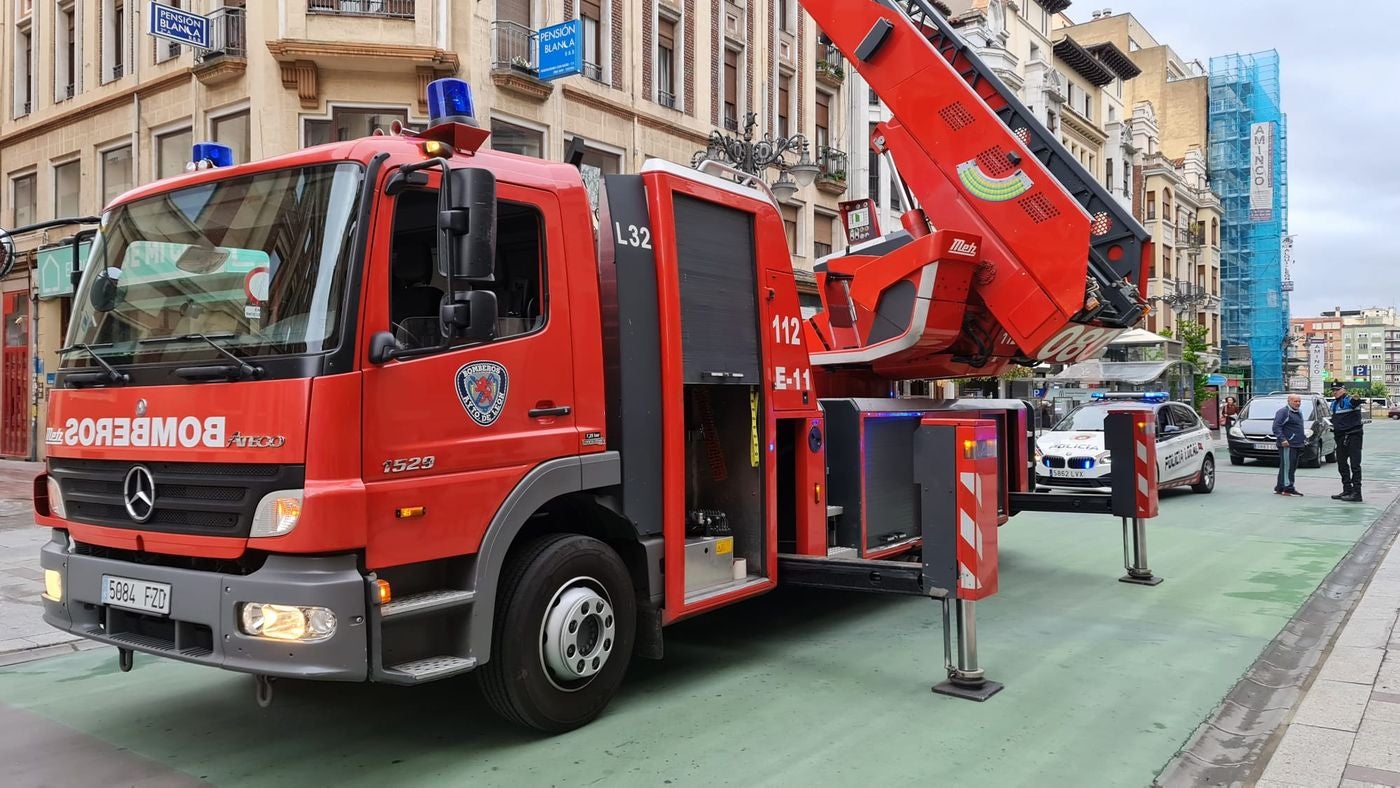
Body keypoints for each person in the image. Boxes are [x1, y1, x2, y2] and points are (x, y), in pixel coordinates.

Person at [1329, 383, 1366, 502]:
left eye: (1337, 390)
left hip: (1353, 436)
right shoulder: (1334, 404)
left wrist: (1357, 399)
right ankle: (1347, 489)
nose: (1335, 392)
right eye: (1333, 390)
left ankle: (1357, 493)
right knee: (1342, 464)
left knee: (1355, 465)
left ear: (1344, 390)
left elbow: (1356, 401)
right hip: (1340, 437)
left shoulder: (1349, 400)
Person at [1272, 393, 1306, 497]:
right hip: (1288, 445)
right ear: (1289, 401)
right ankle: (1288, 488)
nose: (1297, 403)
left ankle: (1280, 487)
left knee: (1288, 466)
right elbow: (1276, 427)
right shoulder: (1283, 412)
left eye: (1299, 401)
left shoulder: (1298, 412)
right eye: (1295, 401)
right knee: (1288, 467)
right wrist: (1283, 439)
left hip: (1296, 444)